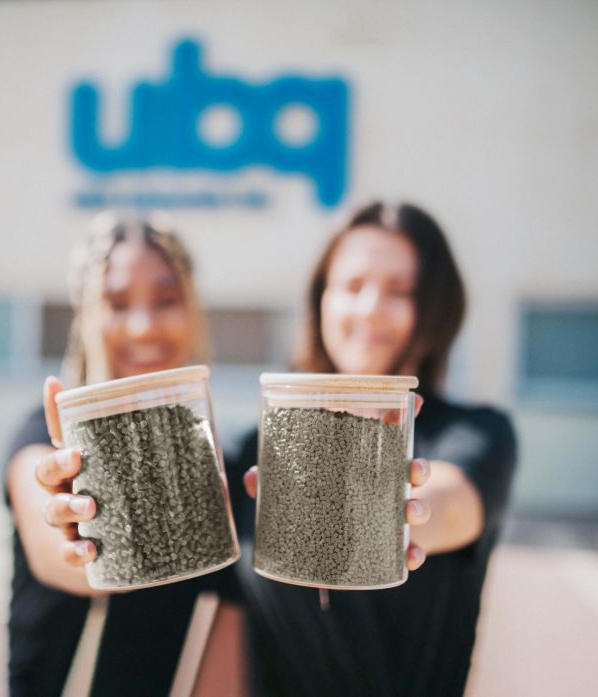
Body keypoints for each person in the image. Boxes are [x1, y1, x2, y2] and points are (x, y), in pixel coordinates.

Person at [8, 211, 433, 696]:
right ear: (85, 315)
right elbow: (56, 558)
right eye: (118, 302)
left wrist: (359, 493)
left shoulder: (220, 465)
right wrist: (79, 531)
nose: (144, 325)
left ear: (192, 308)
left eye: (166, 299)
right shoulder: (44, 447)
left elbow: (228, 639)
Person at [233, 201, 518, 696]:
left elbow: (450, 507)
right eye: (351, 286)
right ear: (321, 298)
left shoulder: (478, 435)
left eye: (399, 291)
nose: (369, 309)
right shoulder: (253, 451)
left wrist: (395, 515)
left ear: (435, 308)